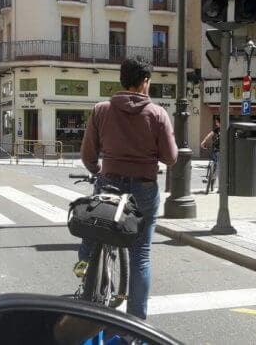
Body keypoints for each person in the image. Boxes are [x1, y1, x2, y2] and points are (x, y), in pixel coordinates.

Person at [78, 56, 178, 320]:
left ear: (122, 80)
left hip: (108, 182)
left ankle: (85, 264)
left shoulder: (101, 109)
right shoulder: (157, 114)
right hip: (143, 188)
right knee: (141, 255)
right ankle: (135, 323)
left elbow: (88, 153)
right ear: (145, 82)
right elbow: (170, 157)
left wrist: (96, 170)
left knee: (96, 230)